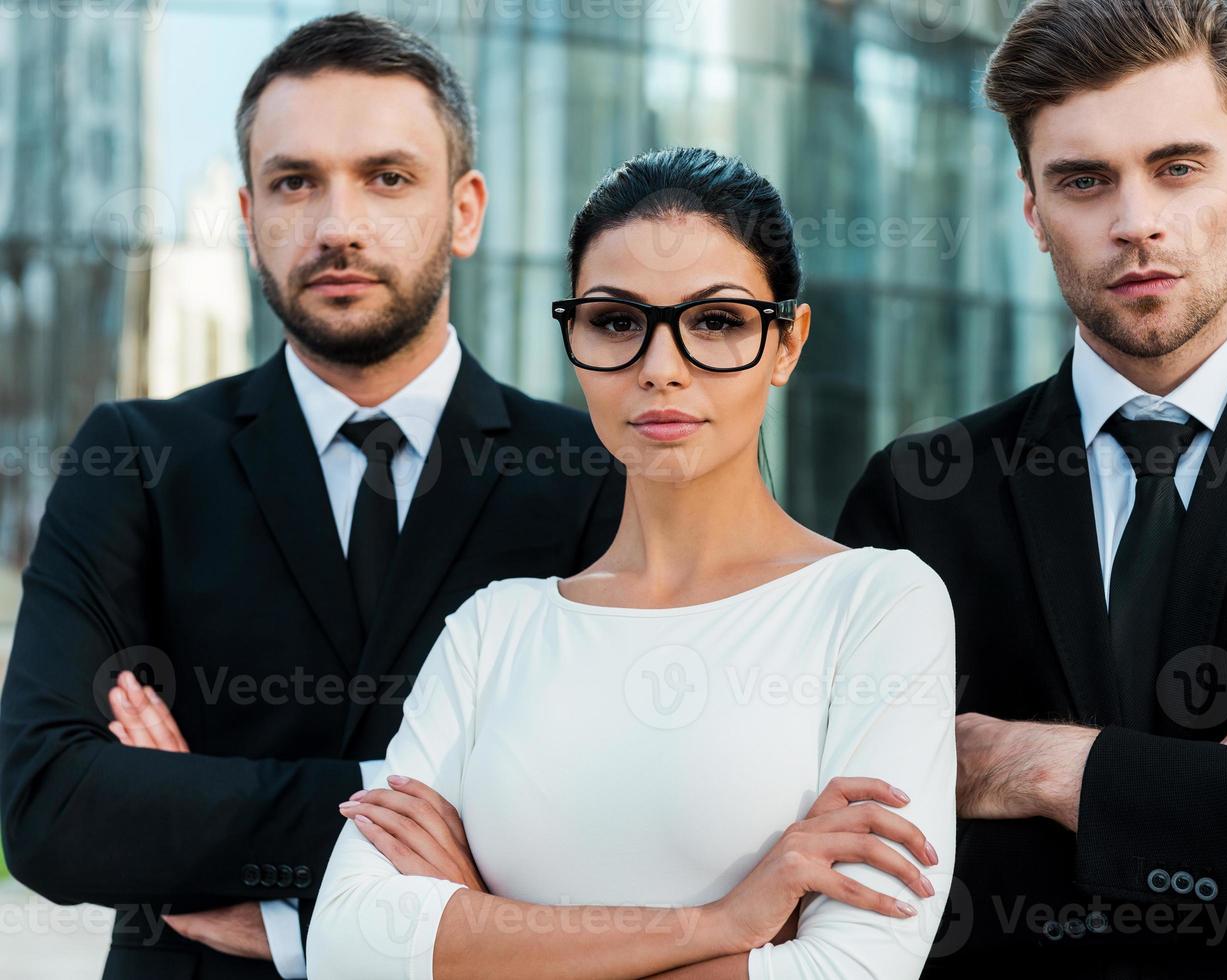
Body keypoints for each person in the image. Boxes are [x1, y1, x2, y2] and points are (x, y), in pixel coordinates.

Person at [836, 1, 1227, 977]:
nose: (1135, 223)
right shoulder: (922, 494)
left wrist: (1028, 766)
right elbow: (883, 871)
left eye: (1176, 167)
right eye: (1083, 181)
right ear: (1031, 210)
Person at [0, 13, 622, 980]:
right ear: (249, 218)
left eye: (387, 177)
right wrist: (426, 808)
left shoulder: (593, 472)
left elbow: (621, 819)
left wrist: (195, 814)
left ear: (464, 212)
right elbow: (49, 806)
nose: (338, 226)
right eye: (295, 182)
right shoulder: (135, 458)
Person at [302, 147, 958, 979]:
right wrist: (722, 924)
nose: (660, 368)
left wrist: (488, 936)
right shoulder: (492, 628)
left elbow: (853, 972)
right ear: (573, 339)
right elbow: (347, 947)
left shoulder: (875, 604)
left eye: (716, 322)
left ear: (786, 343)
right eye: (615, 322)